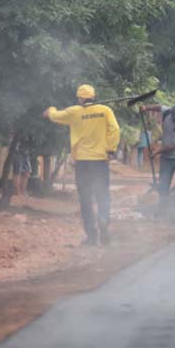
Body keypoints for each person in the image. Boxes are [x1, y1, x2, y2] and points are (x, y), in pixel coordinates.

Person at [44, 84, 120, 246]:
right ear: (93, 96)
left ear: (79, 98)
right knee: (103, 195)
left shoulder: (74, 112)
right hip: (100, 161)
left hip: (83, 163)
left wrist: (50, 110)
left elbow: (56, 115)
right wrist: (111, 150)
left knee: (85, 199)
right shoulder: (105, 110)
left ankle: (91, 237)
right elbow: (115, 129)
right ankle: (104, 219)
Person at [151, 105, 175, 209]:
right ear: (172, 114)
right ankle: (162, 207)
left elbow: (173, 146)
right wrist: (146, 108)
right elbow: (159, 107)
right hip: (166, 158)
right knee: (164, 181)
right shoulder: (167, 112)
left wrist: (156, 152)